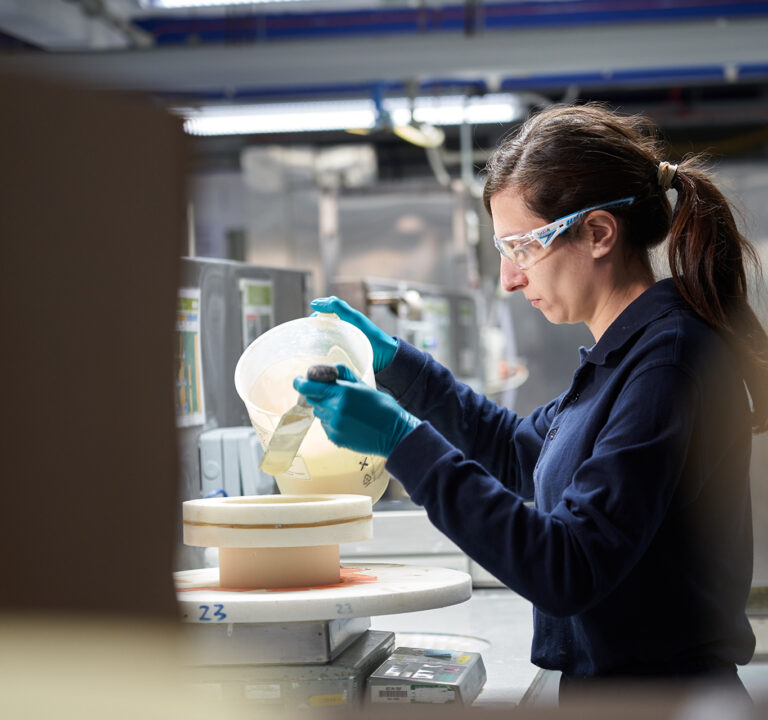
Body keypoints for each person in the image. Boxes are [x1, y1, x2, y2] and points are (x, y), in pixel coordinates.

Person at [294, 103, 768, 698]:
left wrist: (403, 443)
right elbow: (519, 453)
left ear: (597, 233)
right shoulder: (621, 355)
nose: (508, 279)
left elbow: (568, 567)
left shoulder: (668, 364)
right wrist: (397, 364)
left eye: (521, 247)